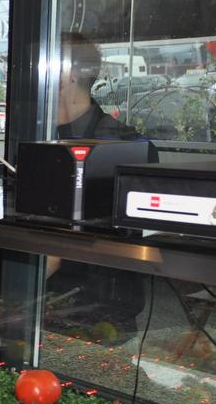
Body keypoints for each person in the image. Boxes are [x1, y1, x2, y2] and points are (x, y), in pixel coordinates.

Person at [47, 31, 156, 339]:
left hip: (98, 321)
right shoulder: (38, 135)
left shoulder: (125, 147)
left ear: (65, 74)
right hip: (45, 310)